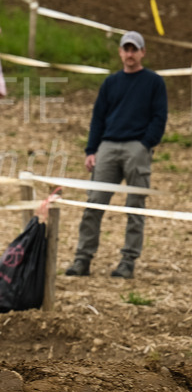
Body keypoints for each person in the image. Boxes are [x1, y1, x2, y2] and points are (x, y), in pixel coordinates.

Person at [64, 31, 168, 280]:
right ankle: (83, 259)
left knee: (135, 207)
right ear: (120, 52)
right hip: (108, 147)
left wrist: (144, 145)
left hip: (136, 148)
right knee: (93, 204)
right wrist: (91, 150)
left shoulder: (154, 82)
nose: (130, 54)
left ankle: (128, 261)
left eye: (135, 49)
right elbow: (98, 118)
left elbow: (159, 117)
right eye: (126, 49)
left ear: (142, 52)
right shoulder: (111, 83)